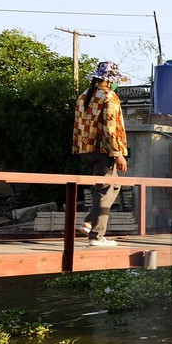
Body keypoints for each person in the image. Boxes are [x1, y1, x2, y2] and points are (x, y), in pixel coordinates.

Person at [72, 60, 129, 246]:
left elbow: (79, 126)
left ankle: (89, 222)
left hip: (86, 149)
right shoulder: (109, 96)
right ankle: (97, 236)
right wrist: (118, 153)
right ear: (110, 80)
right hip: (104, 150)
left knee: (112, 187)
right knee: (105, 191)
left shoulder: (84, 95)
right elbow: (110, 128)